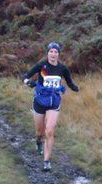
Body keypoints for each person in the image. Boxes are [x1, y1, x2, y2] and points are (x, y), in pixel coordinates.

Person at [21, 42, 80, 171]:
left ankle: (46, 161)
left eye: (55, 52)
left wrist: (75, 88)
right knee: (40, 132)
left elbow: (69, 82)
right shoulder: (41, 66)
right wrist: (28, 82)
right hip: (40, 101)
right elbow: (25, 77)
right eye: (51, 51)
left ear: (58, 54)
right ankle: (38, 141)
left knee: (49, 131)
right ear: (48, 53)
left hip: (54, 102)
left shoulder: (62, 68)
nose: (53, 54)